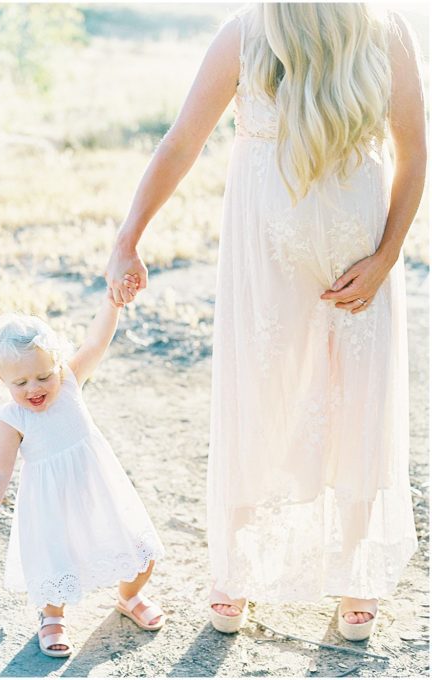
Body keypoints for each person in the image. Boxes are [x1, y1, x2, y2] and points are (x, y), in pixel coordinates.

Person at [105, 4, 425, 640]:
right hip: (264, 259)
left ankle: (355, 569)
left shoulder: (386, 32)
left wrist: (388, 256)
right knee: (257, 393)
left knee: (356, 398)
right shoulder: (244, 35)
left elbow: (414, 152)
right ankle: (237, 568)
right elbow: (181, 142)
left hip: (357, 256)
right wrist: (128, 237)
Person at [0, 292, 165, 658]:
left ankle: (130, 595)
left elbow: (97, 339)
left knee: (140, 551)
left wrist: (112, 301)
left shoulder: (71, 382)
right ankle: (52, 616)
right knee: (56, 563)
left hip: (99, 492)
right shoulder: (13, 419)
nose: (34, 389)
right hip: (51, 506)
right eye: (20, 383)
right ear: (1, 380)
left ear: (58, 365)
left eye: (43, 376)